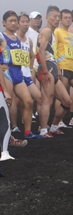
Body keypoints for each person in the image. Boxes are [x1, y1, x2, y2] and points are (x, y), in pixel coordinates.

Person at [0, 11, 37, 139]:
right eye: (10, 20)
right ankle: (7, 135)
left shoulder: (18, 38)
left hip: (17, 73)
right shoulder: (2, 37)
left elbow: (23, 57)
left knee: (28, 101)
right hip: (7, 73)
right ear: (4, 23)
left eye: (15, 20)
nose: (14, 23)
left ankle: (27, 132)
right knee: (7, 105)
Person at [36, 6, 72, 137]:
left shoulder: (52, 33)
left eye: (58, 17)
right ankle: (44, 130)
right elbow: (40, 51)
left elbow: (52, 54)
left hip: (52, 67)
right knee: (48, 100)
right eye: (54, 17)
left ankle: (54, 126)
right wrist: (45, 71)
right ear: (47, 18)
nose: (57, 19)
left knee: (67, 101)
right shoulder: (46, 32)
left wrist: (57, 69)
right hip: (47, 68)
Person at [54, 9, 73, 128]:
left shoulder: (71, 35)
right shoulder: (57, 32)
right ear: (60, 19)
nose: (68, 20)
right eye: (65, 17)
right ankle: (58, 122)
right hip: (62, 67)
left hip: (71, 68)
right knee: (62, 95)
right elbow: (54, 50)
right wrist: (57, 68)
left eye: (70, 17)